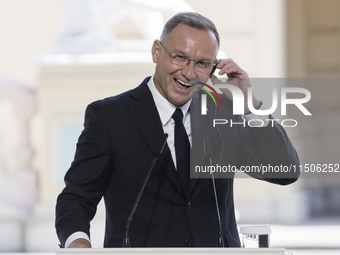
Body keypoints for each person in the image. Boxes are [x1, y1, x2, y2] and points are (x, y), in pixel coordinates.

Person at [55, 12, 299, 248]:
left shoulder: (224, 112)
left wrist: (251, 105)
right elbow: (77, 197)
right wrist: (78, 242)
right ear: (156, 52)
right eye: (180, 57)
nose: (189, 73)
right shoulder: (110, 117)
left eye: (202, 63)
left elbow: (284, 171)